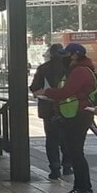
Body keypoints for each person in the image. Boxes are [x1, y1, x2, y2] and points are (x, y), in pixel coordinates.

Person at [37, 42, 97, 193]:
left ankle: (85, 189)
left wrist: (47, 92)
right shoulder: (75, 70)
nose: (63, 57)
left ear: (75, 55)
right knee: (73, 151)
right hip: (73, 114)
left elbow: (66, 92)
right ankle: (78, 187)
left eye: (66, 54)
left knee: (77, 153)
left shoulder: (79, 71)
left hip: (79, 115)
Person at [30, 44, 72, 180]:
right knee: (67, 137)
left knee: (52, 139)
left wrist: (44, 92)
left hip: (48, 109)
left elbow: (34, 87)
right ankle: (67, 166)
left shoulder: (43, 68)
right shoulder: (69, 68)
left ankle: (55, 168)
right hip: (67, 107)